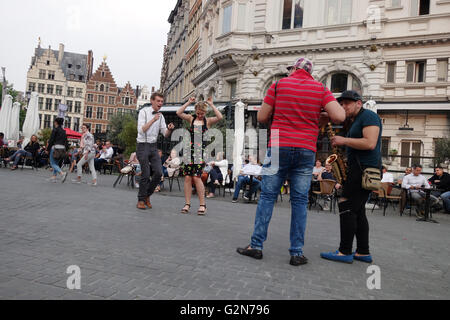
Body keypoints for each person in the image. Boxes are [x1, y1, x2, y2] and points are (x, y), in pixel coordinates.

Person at [237, 57, 345, 266]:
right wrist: (319, 115)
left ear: (294, 69)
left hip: (278, 143)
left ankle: (256, 246)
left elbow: (261, 117)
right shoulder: (320, 88)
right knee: (299, 201)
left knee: (267, 196)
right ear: (310, 73)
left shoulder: (278, 85)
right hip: (306, 147)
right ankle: (296, 252)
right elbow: (339, 115)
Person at [320, 90, 381, 264]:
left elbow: (370, 143)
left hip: (364, 170)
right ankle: (363, 251)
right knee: (358, 210)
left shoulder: (368, 116)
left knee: (345, 203)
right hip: (358, 168)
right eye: (342, 103)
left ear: (359, 103)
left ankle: (344, 251)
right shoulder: (355, 120)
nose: (344, 106)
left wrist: (343, 141)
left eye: (347, 103)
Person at [177, 96, 223, 215]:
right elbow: (179, 112)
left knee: (197, 177)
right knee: (187, 177)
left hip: (200, 151)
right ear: (195, 111)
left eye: (202, 113)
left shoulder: (207, 121)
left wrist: (212, 105)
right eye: (198, 113)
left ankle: (203, 205)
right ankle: (187, 204)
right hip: (189, 150)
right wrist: (188, 102)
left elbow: (220, 117)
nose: (200, 115)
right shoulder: (191, 118)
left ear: (205, 112)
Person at [136, 93, 175, 210]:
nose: (160, 103)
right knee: (146, 174)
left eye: (162, 101)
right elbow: (141, 130)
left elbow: (165, 134)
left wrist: (169, 129)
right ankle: (141, 200)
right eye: (158, 101)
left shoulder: (161, 116)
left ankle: (147, 195)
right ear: (152, 101)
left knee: (158, 173)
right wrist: (153, 120)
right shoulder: (143, 112)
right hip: (142, 145)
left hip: (153, 146)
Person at [46, 117, 68, 183]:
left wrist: (48, 149)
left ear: (55, 122)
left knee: (52, 163)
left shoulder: (55, 130)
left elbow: (51, 140)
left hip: (55, 148)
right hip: (62, 148)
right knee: (56, 163)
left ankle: (62, 173)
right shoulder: (64, 131)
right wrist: (66, 149)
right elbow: (66, 141)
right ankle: (54, 177)